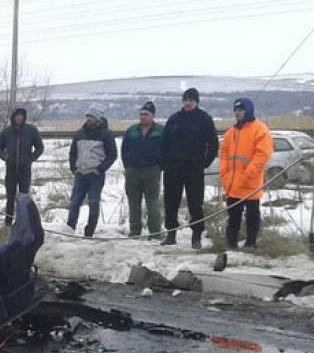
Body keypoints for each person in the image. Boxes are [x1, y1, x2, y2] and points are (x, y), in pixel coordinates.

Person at [160, 87, 218, 248]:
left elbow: (213, 144)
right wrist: (164, 163)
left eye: (191, 100)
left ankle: (196, 236)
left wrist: (205, 162)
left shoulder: (204, 119)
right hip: (173, 168)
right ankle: (171, 234)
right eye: (185, 100)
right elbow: (164, 143)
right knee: (171, 202)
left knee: (195, 203)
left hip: (194, 168)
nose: (188, 103)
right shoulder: (174, 119)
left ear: (196, 102)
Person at [220, 98, 272, 249]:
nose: (237, 113)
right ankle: (231, 245)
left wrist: (248, 174)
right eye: (236, 110)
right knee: (233, 218)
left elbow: (263, 154)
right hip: (232, 185)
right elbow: (224, 154)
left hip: (251, 184)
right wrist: (224, 174)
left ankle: (251, 243)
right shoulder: (230, 133)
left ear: (248, 110)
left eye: (241, 110)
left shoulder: (260, 130)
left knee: (252, 217)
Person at [67, 106, 117, 238]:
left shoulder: (106, 134)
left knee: (94, 202)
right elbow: (73, 152)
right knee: (75, 202)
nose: (89, 119)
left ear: (98, 118)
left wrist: (101, 168)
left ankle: (90, 231)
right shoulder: (79, 134)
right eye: (88, 116)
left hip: (95, 175)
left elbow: (112, 154)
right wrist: (73, 167)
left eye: (92, 117)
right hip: (80, 174)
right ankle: (69, 228)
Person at [120, 101, 165, 237]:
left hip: (152, 170)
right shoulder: (132, 130)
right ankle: (135, 230)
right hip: (133, 170)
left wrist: (160, 165)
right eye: (141, 114)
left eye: (146, 114)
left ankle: (155, 232)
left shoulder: (160, 131)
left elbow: (167, 149)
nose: (143, 117)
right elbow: (124, 149)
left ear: (152, 115)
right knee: (133, 202)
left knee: (152, 202)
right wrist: (127, 165)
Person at [0, 107, 44, 225]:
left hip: (25, 170)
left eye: (21, 115)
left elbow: (40, 147)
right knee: (10, 198)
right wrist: (6, 157)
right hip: (11, 170)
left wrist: (30, 158)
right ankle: (8, 223)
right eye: (17, 115)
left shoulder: (31, 130)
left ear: (24, 117)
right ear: (13, 117)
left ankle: (23, 223)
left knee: (23, 199)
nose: (19, 117)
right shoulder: (7, 132)